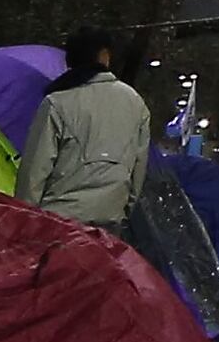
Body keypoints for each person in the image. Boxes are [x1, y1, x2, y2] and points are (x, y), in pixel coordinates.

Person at [14, 33, 155, 230]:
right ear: (105, 56)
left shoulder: (57, 102)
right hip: (109, 221)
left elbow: (35, 170)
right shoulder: (135, 102)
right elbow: (137, 170)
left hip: (58, 222)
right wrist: (123, 211)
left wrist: (24, 221)